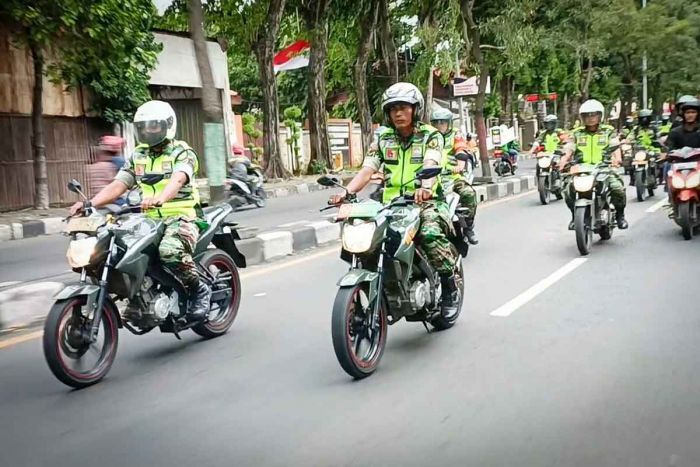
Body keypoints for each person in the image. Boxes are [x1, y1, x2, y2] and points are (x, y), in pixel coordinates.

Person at [69, 100, 211, 319]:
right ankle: (140, 296)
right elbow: (118, 185)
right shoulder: (138, 155)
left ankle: (199, 289)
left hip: (182, 216)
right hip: (147, 219)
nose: (148, 130)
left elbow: (178, 179)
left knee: (170, 251)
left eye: (154, 125)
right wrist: (89, 204)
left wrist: (160, 197)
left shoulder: (182, 152)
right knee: (115, 248)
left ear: (167, 125)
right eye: (143, 126)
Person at [328, 82, 460, 317]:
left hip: (426, 202)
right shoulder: (383, 138)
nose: (398, 113)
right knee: (365, 237)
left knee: (429, 234)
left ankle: (449, 288)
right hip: (390, 205)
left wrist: (425, 187)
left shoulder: (431, 136)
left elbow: (432, 162)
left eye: (403, 107)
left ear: (415, 109)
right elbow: (367, 170)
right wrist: (346, 193)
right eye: (393, 109)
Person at [558, 99, 628, 231]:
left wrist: (617, 159)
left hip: (603, 168)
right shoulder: (577, 133)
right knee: (567, 190)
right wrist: (563, 161)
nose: (590, 118)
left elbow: (615, 147)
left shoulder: (608, 131)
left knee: (617, 188)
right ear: (582, 117)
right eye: (586, 115)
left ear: (600, 116)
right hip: (582, 169)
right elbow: (569, 149)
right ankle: (575, 216)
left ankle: (620, 215)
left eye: (593, 115)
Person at [430, 107, 479, 245]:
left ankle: (469, 227)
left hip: (452, 176)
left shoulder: (455, 135)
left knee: (468, 193)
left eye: (443, 122)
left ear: (449, 123)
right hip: (432, 178)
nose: (440, 126)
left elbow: (460, 149)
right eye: (436, 123)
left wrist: (460, 165)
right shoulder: (428, 137)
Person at [627, 109, 659, 186]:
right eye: (642, 118)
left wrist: (658, 142)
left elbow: (659, 137)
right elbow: (630, 137)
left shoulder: (654, 128)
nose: (644, 120)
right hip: (639, 150)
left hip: (651, 149)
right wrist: (627, 140)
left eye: (646, 118)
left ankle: (654, 177)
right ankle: (632, 179)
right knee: (630, 160)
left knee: (654, 162)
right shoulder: (636, 129)